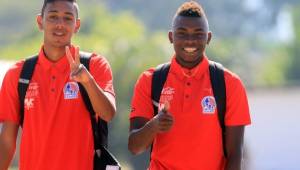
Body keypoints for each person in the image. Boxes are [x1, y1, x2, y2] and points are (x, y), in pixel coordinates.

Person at [128, 1, 251, 170]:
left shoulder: (229, 84)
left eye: (198, 33)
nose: (190, 41)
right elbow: (134, 147)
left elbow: (235, 154)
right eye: (182, 33)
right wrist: (154, 125)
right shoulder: (150, 80)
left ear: (208, 38)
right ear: (171, 37)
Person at [0, 0, 116, 169]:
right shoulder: (18, 74)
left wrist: (87, 81)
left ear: (76, 25)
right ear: (40, 22)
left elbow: (108, 113)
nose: (60, 25)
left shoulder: (95, 65)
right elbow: (7, 141)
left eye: (67, 18)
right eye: (53, 17)